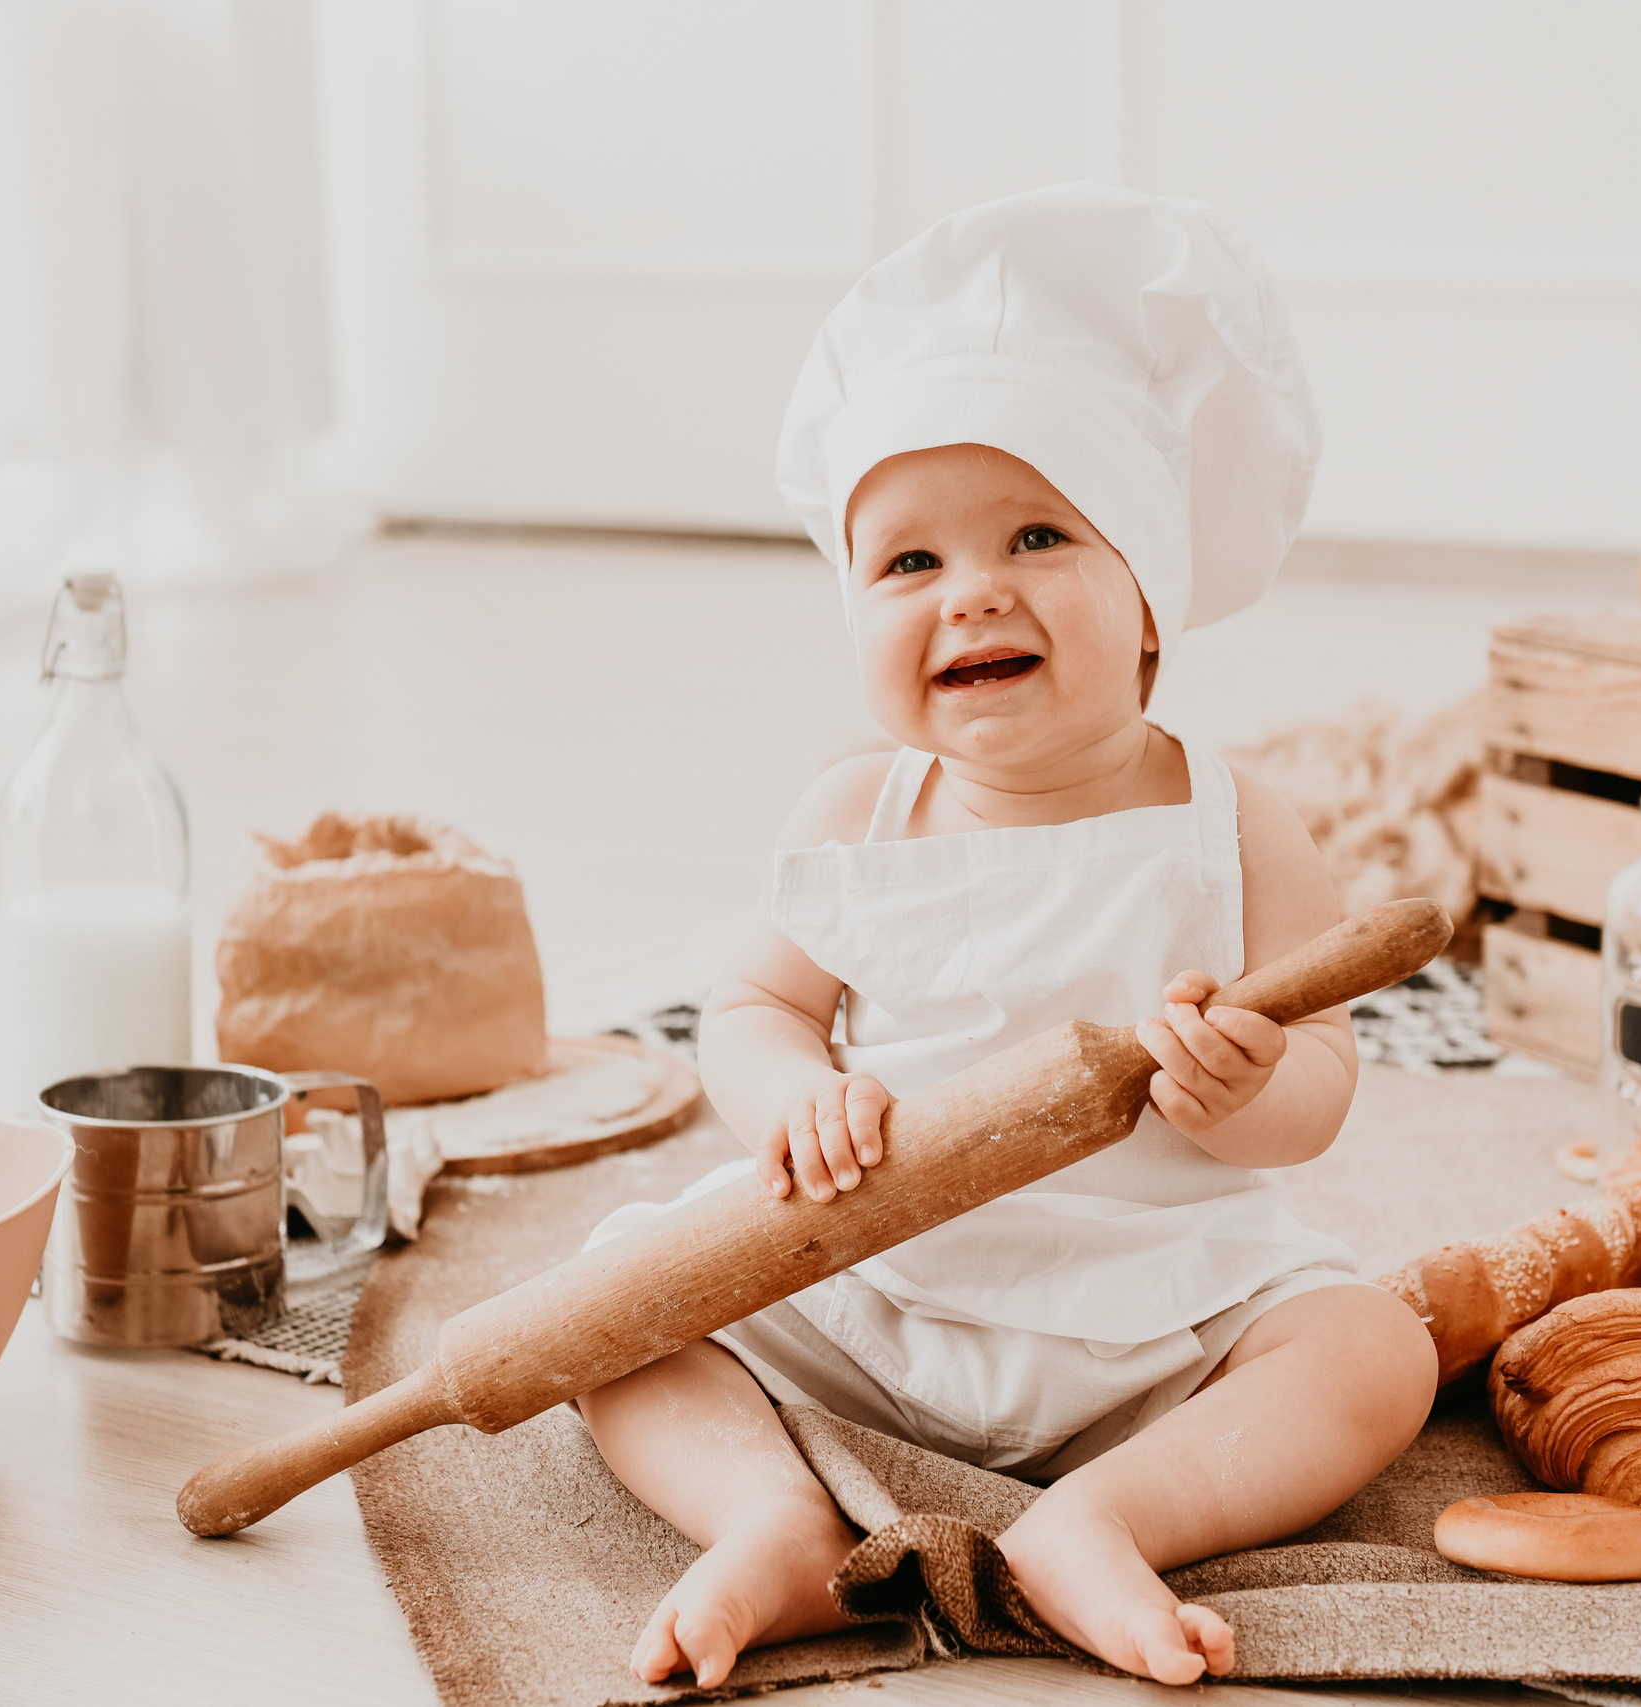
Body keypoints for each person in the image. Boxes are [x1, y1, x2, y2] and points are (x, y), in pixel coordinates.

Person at [576, 183, 1438, 1689]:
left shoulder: (1234, 821)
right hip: (873, 1289)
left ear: (1151, 598)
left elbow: (1323, 1065)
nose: (971, 589)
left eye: (1037, 535)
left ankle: (1102, 1521)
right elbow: (752, 1009)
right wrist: (800, 1099)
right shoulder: (858, 809)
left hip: (1156, 1317)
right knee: (611, 1300)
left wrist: (1252, 1091)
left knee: (1376, 1351)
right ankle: (769, 1521)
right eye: (906, 563)